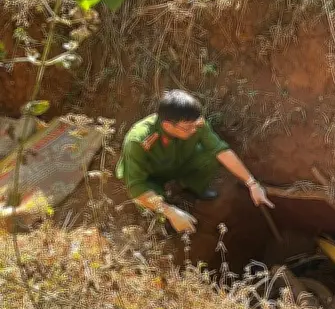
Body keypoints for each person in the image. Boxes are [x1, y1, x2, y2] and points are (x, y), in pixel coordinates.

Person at [115, 89, 273, 234]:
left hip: (177, 163)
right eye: (188, 128)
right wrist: (170, 212)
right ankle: (166, 223)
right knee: (152, 208)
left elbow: (220, 150)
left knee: (210, 157)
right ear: (168, 125)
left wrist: (252, 183)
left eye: (195, 125)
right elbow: (136, 188)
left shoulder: (194, 123)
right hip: (151, 177)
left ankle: (190, 187)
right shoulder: (138, 140)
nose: (194, 130)